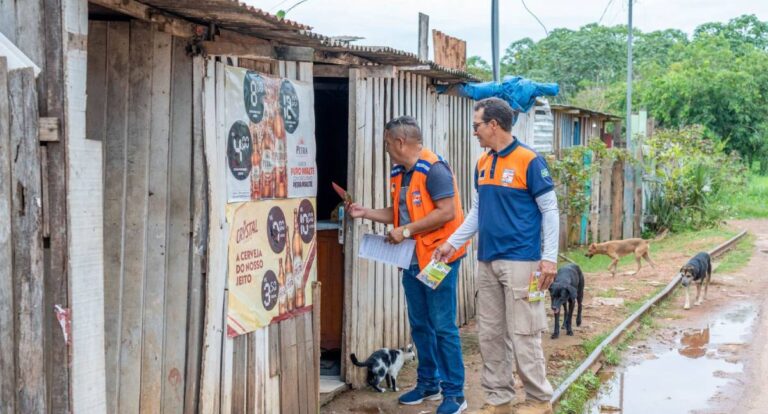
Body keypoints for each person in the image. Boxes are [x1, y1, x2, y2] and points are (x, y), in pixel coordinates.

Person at [434, 98, 559, 414]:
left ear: (493, 125)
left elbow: (550, 210)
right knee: (489, 334)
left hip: (522, 260)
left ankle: (538, 400)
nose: (474, 132)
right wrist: (453, 242)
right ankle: (499, 400)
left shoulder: (529, 160)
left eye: (476, 125)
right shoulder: (482, 163)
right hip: (487, 259)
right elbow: (477, 211)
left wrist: (550, 258)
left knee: (525, 332)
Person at [347, 116, 469, 414]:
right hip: (412, 260)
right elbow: (401, 214)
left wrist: (406, 232)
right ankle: (429, 383)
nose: (386, 148)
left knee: (443, 327)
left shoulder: (434, 169)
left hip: (439, 259)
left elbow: (446, 212)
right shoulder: (400, 172)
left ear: (400, 142)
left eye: (388, 143)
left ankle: (455, 394)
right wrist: (367, 212)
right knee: (419, 325)